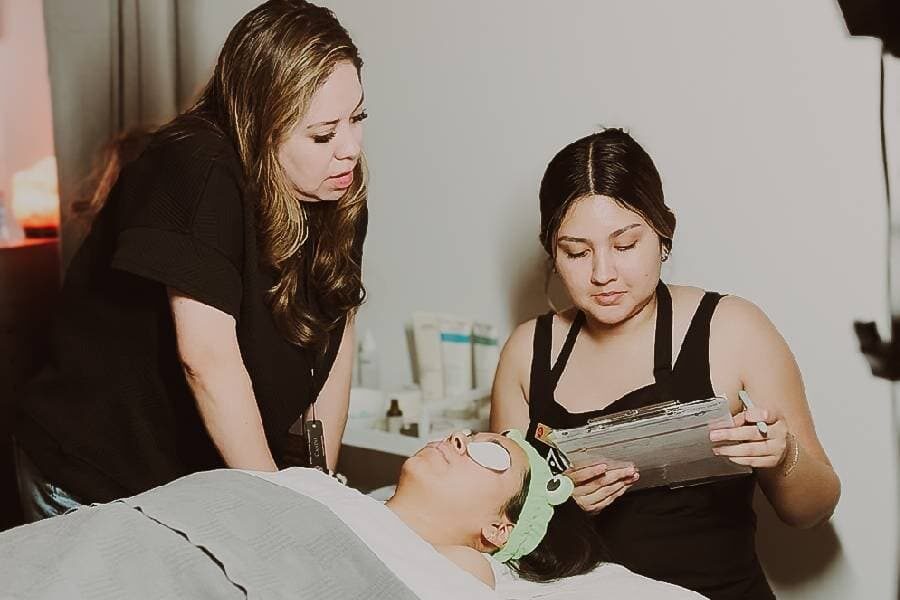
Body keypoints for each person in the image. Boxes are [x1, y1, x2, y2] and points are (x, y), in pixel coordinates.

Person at [14, 0, 368, 520]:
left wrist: (321, 485)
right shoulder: (195, 166)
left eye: (358, 117)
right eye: (322, 133)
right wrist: (284, 512)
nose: (351, 148)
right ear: (259, 125)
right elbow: (206, 361)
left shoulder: (336, 185)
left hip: (186, 482)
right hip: (94, 473)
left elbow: (337, 329)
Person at [490, 128, 841, 599]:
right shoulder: (527, 351)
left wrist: (782, 456)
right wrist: (558, 510)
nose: (602, 273)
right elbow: (493, 528)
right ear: (551, 250)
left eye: (625, 245)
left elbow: (811, 511)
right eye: (576, 252)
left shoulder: (732, 329)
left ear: (663, 233)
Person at [0, 430, 591, 598]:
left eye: (490, 455)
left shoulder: (455, 575)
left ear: (497, 527)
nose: (461, 441)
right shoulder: (316, 488)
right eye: (471, 434)